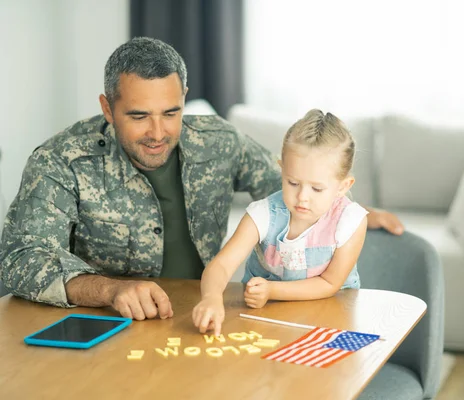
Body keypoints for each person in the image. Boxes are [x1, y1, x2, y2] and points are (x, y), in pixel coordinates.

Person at [0, 37, 403, 321]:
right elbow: (19, 259)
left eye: (171, 112)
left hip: (204, 314)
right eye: (139, 116)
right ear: (108, 107)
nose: (158, 132)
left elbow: (293, 185)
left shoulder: (219, 140)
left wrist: (357, 211)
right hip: (111, 322)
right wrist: (111, 289)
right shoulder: (62, 160)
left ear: (185, 97)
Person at [192, 109, 369, 335]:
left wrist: (272, 290)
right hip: (268, 317)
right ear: (281, 169)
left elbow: (329, 284)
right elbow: (222, 265)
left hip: (332, 315)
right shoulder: (264, 214)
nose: (302, 197)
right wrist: (211, 297)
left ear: (343, 186)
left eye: (316, 188)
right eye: (293, 183)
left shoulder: (350, 221)